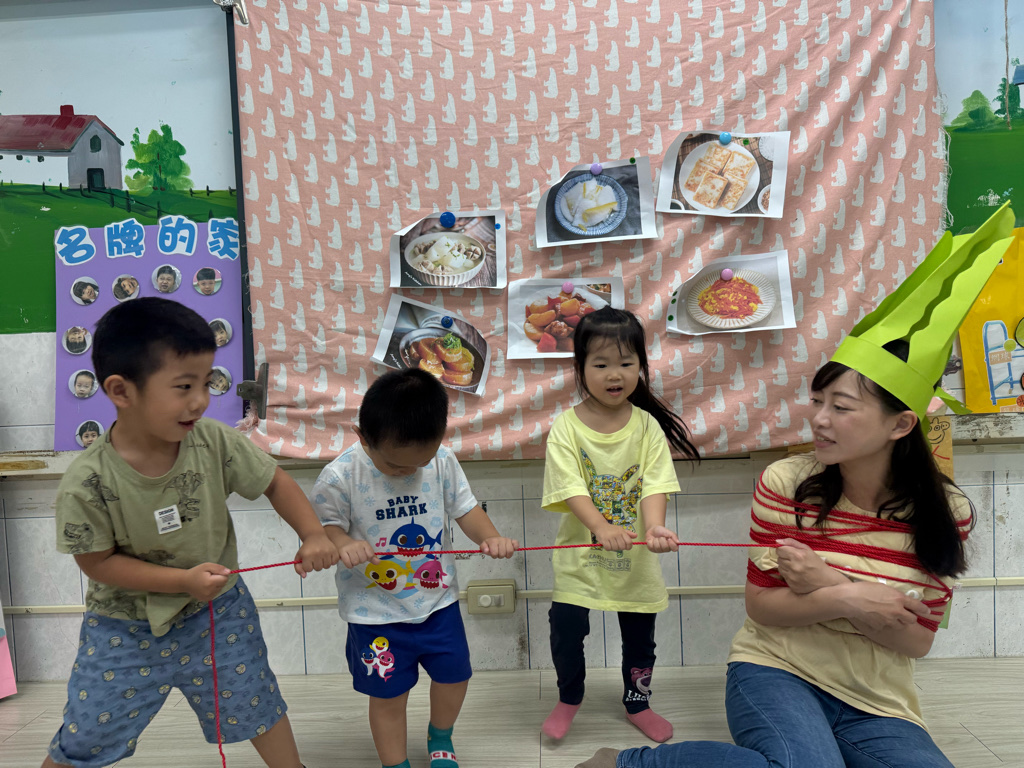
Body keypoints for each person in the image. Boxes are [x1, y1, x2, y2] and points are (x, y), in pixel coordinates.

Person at [575, 201, 1019, 768]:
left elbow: (917, 639)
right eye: (817, 401)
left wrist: (829, 582)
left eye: (842, 407)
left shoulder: (947, 510)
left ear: (901, 424)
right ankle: (626, 763)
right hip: (775, 670)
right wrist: (859, 598)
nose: (819, 420)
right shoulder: (786, 482)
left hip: (878, 698)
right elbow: (764, 608)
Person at [42, 296, 339, 768]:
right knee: (87, 735)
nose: (200, 400)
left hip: (218, 613)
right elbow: (97, 563)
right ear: (121, 391)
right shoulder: (87, 481)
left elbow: (275, 481)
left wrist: (313, 533)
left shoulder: (214, 440)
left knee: (257, 706)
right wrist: (181, 581)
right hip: (123, 628)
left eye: (206, 382)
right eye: (183, 386)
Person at [310, 368, 519, 768]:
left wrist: (490, 536)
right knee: (388, 697)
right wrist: (343, 543)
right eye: (394, 465)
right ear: (363, 437)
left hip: (437, 603)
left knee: (455, 676)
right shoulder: (339, 477)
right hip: (375, 613)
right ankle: (396, 763)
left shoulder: (441, 461)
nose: (408, 472)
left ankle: (440, 736)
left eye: (420, 462)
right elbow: (324, 529)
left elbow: (466, 509)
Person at [541, 307, 700, 744]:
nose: (616, 374)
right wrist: (601, 526)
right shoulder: (566, 428)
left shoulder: (647, 426)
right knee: (565, 631)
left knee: (640, 640)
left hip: (637, 562)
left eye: (627, 363)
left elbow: (655, 484)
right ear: (580, 368)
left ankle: (637, 702)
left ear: (641, 367)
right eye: (601, 364)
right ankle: (569, 697)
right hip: (579, 558)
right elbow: (570, 487)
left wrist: (655, 528)